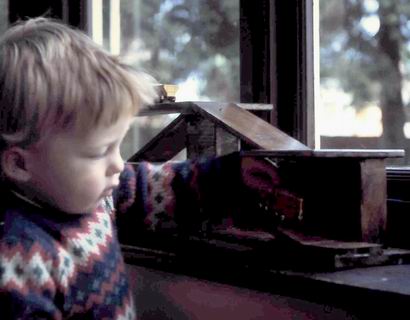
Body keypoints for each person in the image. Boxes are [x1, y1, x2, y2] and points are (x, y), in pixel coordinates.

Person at [0, 18, 284, 319]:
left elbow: (161, 186)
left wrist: (231, 178)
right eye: (99, 152)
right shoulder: (18, 256)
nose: (118, 164)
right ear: (19, 164)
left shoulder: (95, 194)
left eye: (117, 146)